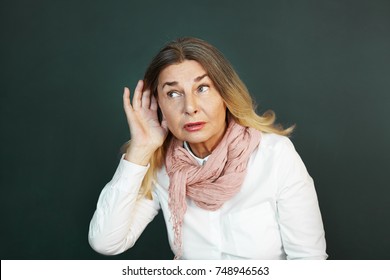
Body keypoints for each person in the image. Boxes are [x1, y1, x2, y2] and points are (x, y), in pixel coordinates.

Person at [88, 37, 327, 260]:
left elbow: (309, 261)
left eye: (202, 88)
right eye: (173, 93)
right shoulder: (162, 166)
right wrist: (140, 149)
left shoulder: (274, 155)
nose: (190, 107)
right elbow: (106, 242)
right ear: (158, 105)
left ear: (224, 93)